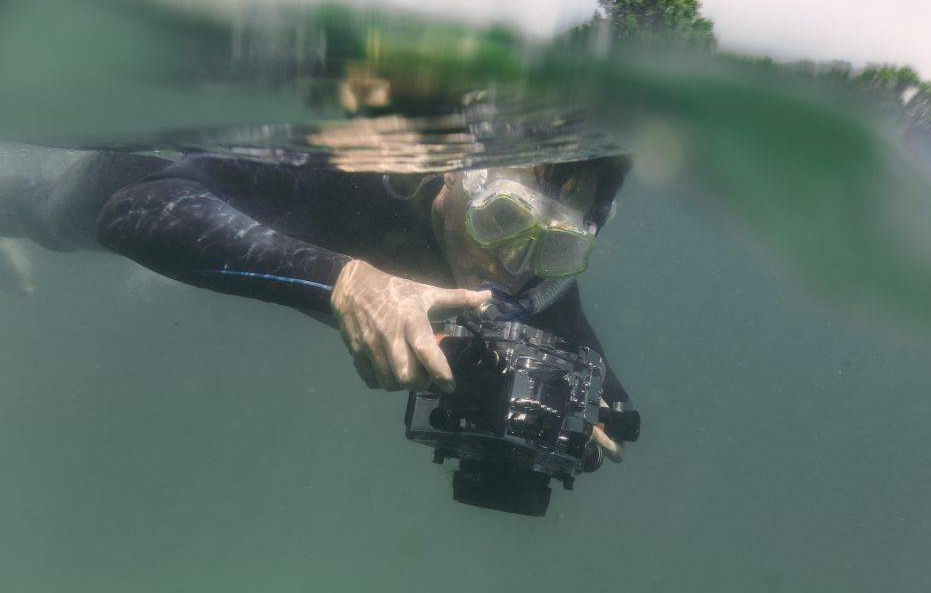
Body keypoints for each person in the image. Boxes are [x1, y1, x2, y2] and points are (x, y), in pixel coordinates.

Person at [2, 149, 634, 458]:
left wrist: (590, 400)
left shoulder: (532, 281)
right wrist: (345, 283)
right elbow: (135, 209)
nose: (513, 265)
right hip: (165, 186)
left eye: (552, 248)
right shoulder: (357, 174)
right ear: (457, 171)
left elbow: (570, 334)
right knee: (60, 209)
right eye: (502, 219)